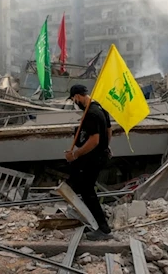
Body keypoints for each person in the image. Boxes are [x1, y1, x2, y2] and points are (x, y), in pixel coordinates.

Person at [64, 84, 113, 240]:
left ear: (77, 96)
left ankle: (103, 229)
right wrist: (107, 146)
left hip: (93, 158)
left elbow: (94, 140)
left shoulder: (91, 113)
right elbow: (109, 130)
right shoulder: (99, 107)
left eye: (73, 100)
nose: (74, 102)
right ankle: (96, 222)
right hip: (100, 155)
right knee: (82, 186)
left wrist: (75, 155)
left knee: (87, 191)